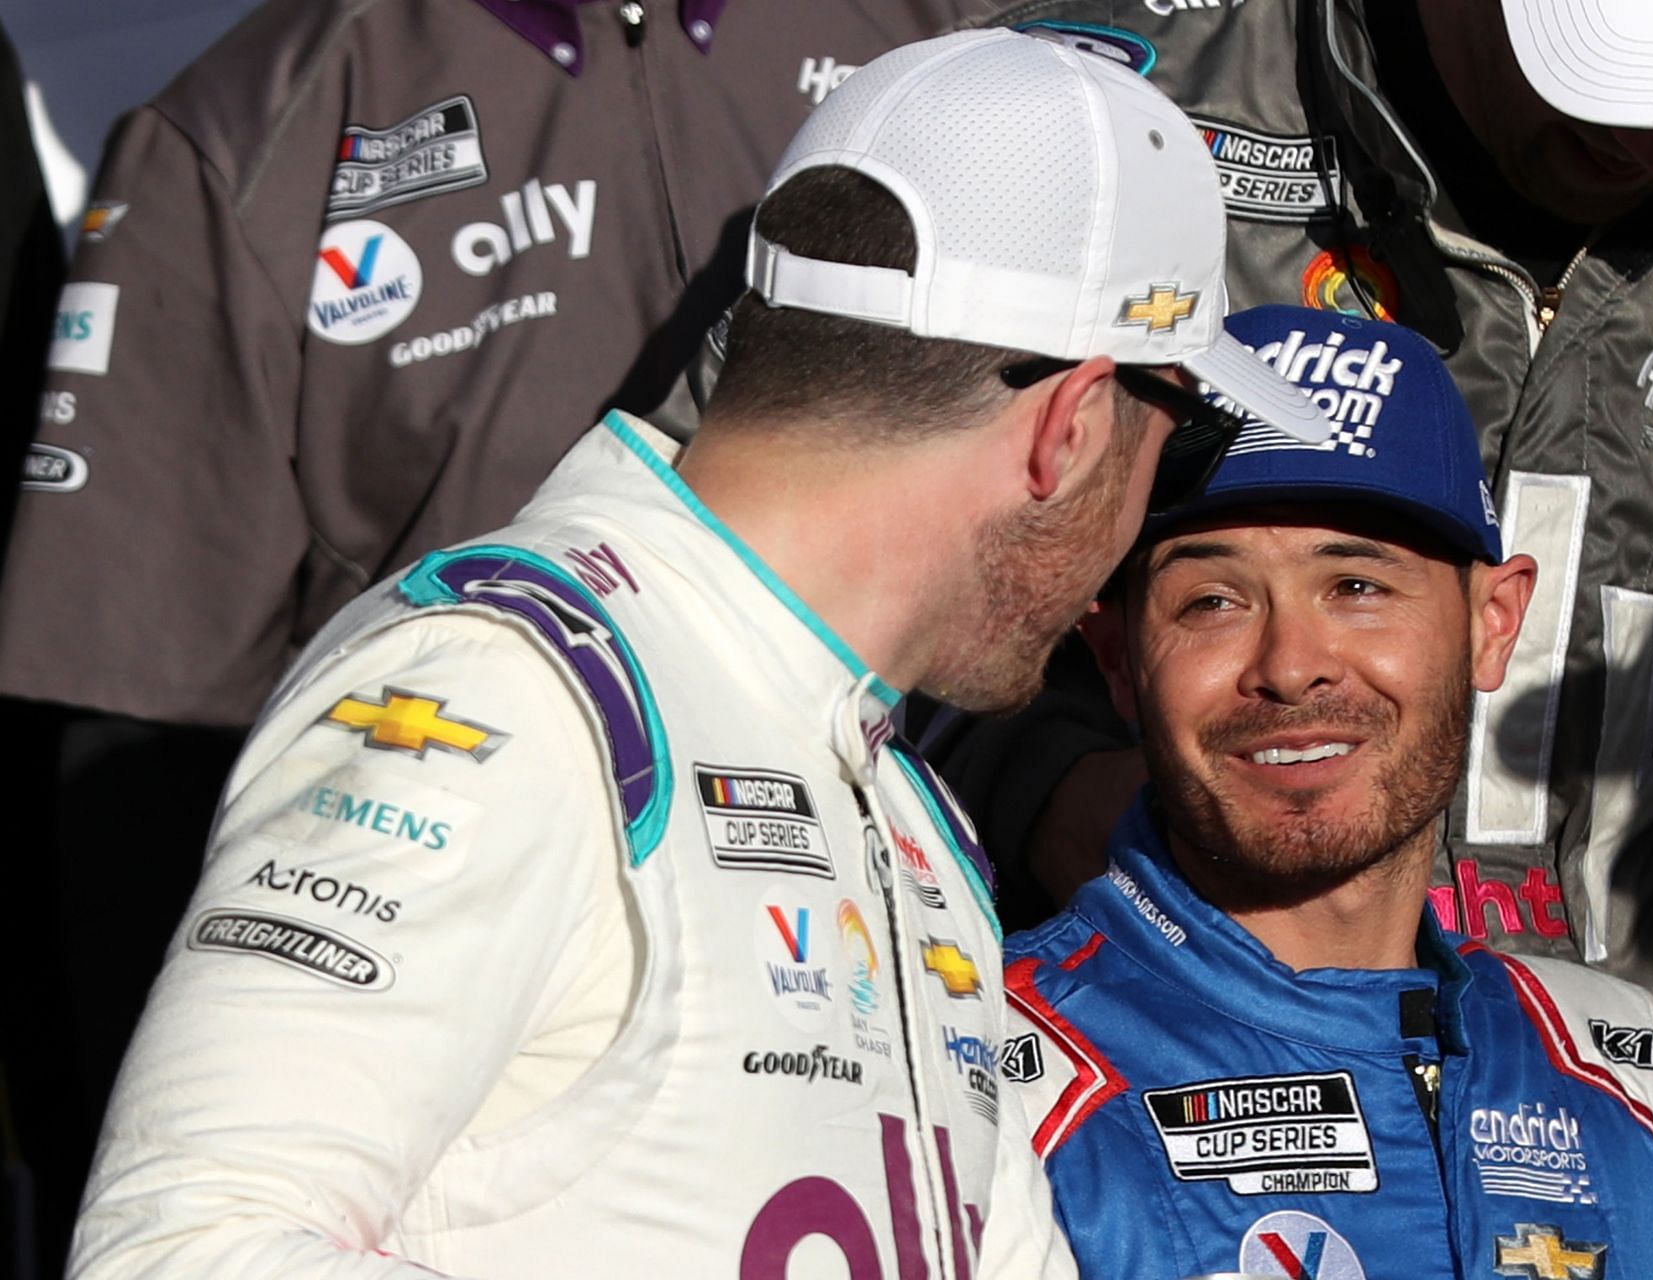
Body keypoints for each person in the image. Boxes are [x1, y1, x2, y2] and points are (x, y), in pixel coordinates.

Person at [67, 30, 1329, 1278]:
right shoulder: (501, 686)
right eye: (1176, 446)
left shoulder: (906, 804)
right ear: (1072, 425)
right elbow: (176, 1247)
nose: (1137, 529)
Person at [0, 2, 984, 1267]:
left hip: (937, 952)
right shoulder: (254, 122)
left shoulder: (931, 34)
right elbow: (130, 717)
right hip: (514, 1049)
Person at [942, 2, 1653, 1272]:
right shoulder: (1085, 120)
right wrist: (1048, 781)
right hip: (1140, 1108)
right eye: (1609, 72)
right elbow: (779, 582)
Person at [1004, 302, 1653, 1280]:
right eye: (1211, 600)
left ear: (1493, 622)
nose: (1292, 665)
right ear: (1117, 661)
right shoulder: (991, 1070)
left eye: (1357, 584)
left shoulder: (1617, 1080)